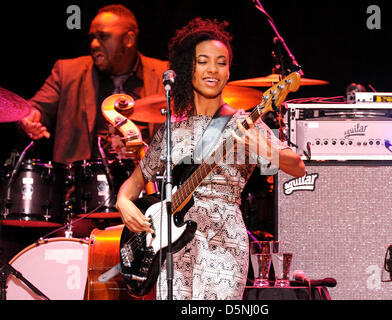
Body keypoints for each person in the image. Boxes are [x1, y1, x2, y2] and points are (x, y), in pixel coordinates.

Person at [115, 17, 306, 300]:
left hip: (223, 240)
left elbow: (298, 167)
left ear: (229, 71)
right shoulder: (173, 130)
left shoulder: (245, 122)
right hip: (172, 246)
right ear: (187, 68)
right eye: (203, 61)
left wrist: (265, 149)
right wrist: (123, 201)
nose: (213, 69)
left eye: (221, 62)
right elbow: (135, 182)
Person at [20, 4, 167, 165]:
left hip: (149, 183)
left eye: (103, 37)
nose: (94, 44)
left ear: (129, 39)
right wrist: (30, 118)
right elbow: (35, 107)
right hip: (84, 183)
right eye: (92, 38)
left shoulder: (165, 73)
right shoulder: (67, 71)